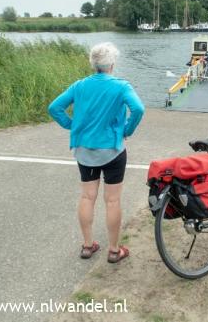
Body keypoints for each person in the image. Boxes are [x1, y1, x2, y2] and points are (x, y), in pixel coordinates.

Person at [48, 42, 145, 264]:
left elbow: (54, 107)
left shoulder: (79, 85)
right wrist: (126, 131)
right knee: (112, 200)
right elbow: (138, 109)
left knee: (87, 196)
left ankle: (87, 245)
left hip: (84, 150)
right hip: (112, 150)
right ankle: (113, 250)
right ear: (112, 64)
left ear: (94, 64)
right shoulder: (121, 86)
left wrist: (71, 126)